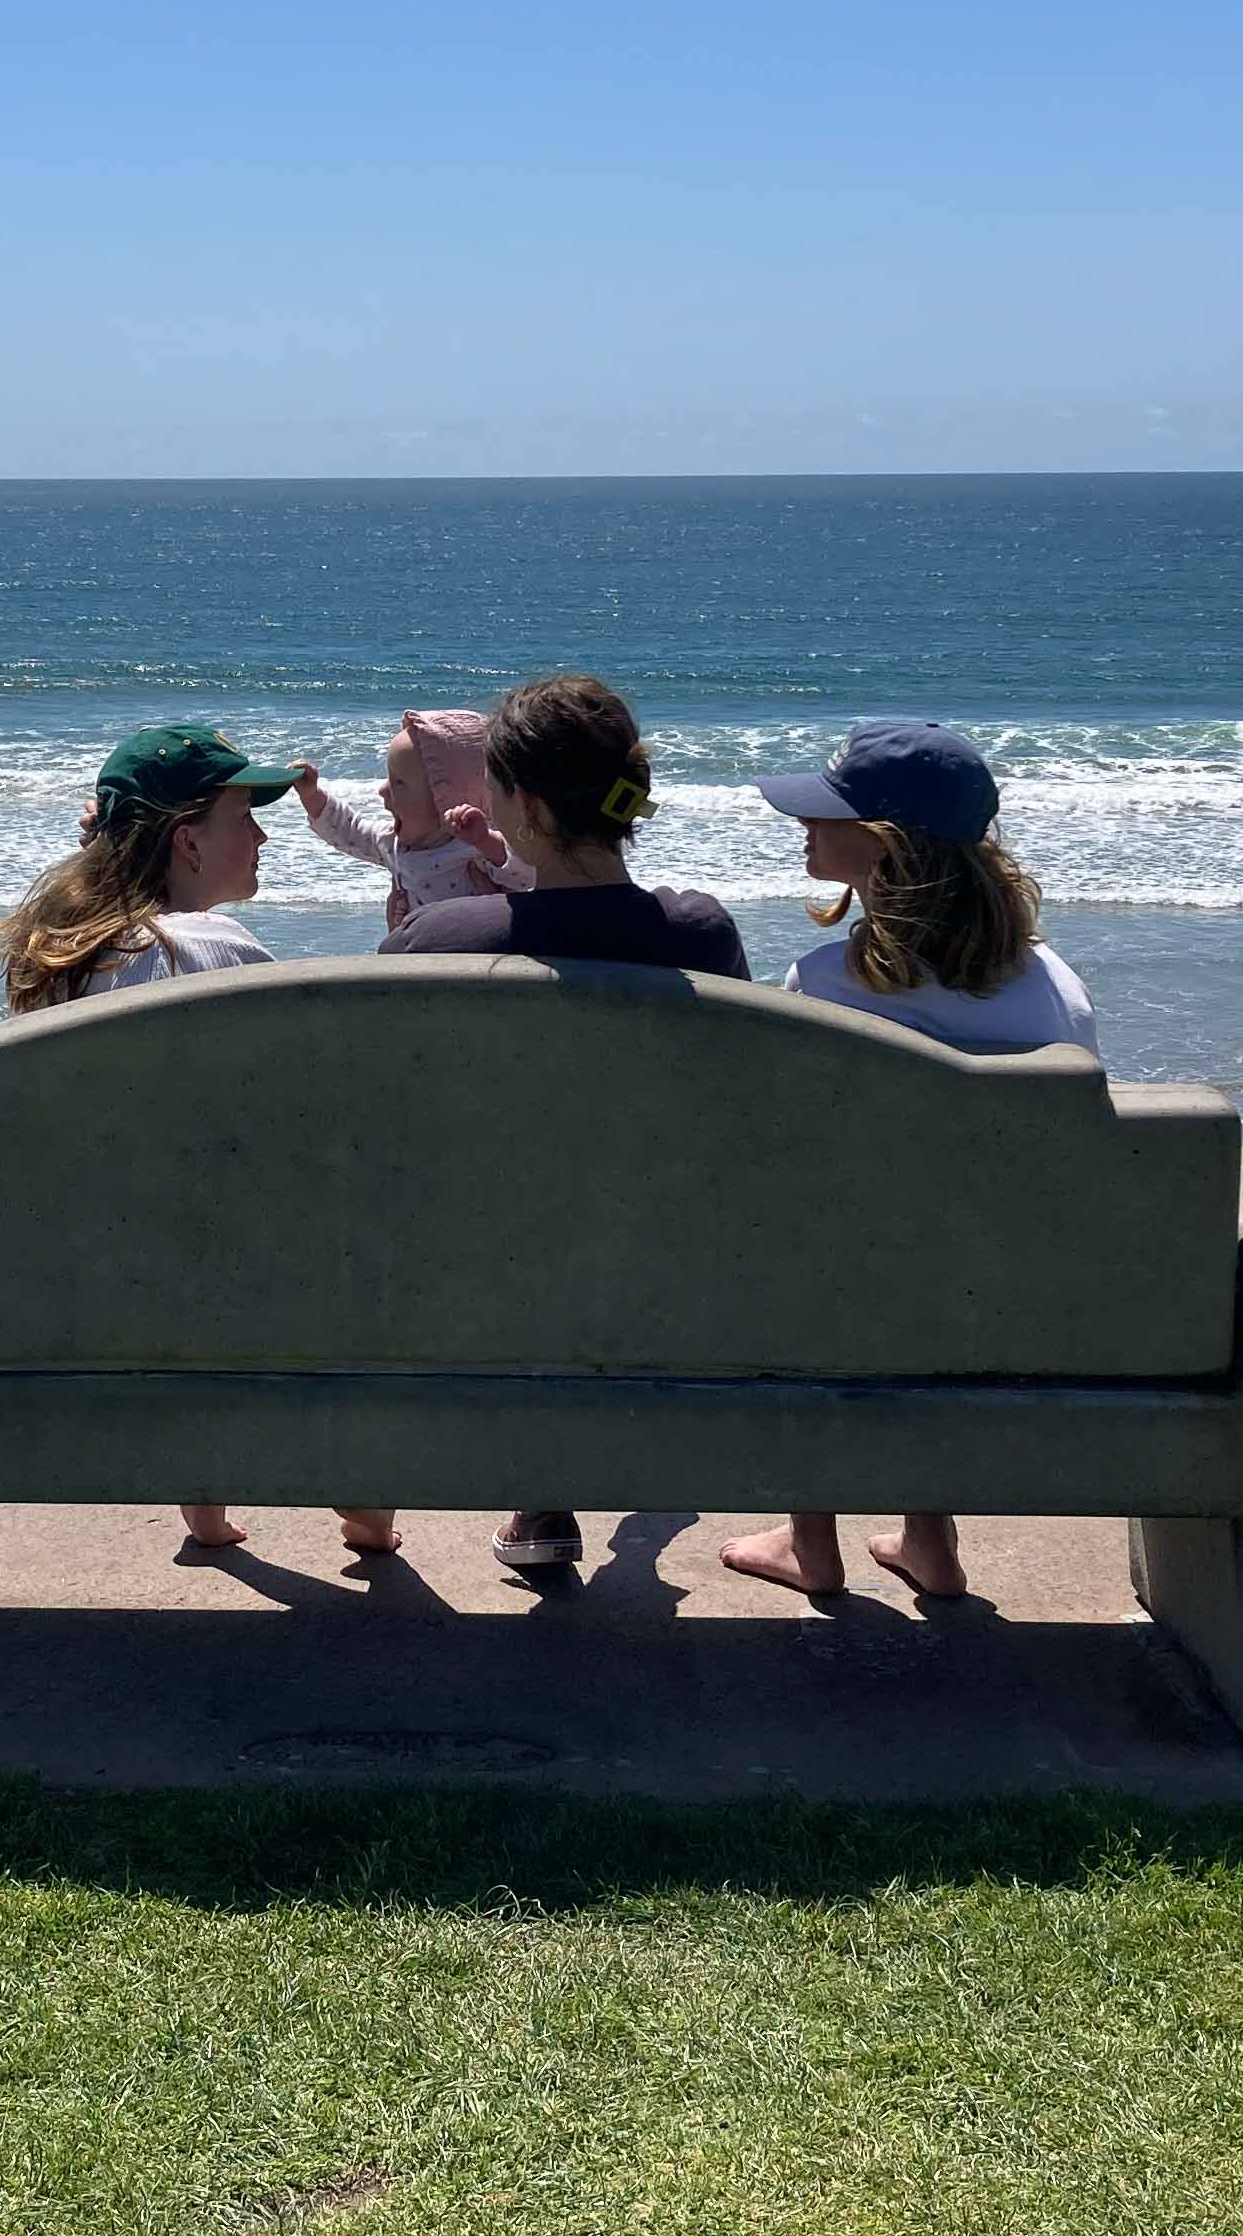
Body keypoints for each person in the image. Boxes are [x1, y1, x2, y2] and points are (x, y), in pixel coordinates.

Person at [0, 721, 400, 1557]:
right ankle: (365, 1500)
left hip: (103, 1283)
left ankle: (204, 1499)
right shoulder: (218, 951)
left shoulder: (60, 957)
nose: (260, 834)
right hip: (238, 1287)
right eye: (243, 816)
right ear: (187, 839)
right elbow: (314, 1120)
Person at [715, 718, 1091, 1605]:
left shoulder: (826, 986)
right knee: (931, 1256)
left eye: (826, 812)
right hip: (1003, 1302)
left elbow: (778, 1160)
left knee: (810, 1249)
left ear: (882, 846)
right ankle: (930, 1540)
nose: (803, 825)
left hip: (842, 1307)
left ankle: (812, 1542)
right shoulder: (1056, 993)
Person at [386, 673, 750, 1570]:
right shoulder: (699, 932)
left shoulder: (445, 939)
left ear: (523, 804)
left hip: (486, 1263)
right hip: (671, 1256)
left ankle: (541, 1492)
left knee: (515, 1210)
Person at [289, 707, 531, 941]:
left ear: (445, 798)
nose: (382, 789)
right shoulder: (391, 842)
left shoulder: (475, 847)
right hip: (420, 960)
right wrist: (312, 795)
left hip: (479, 965)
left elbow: (526, 876)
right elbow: (348, 830)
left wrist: (486, 842)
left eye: (399, 782)